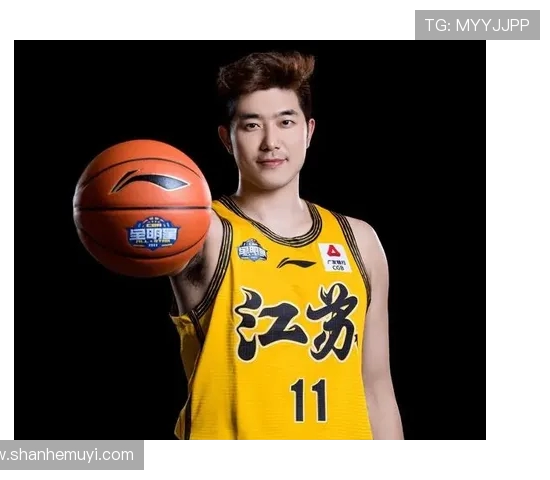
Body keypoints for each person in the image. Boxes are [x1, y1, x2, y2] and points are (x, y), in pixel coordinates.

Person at [167, 50, 403, 440]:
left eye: (286, 121)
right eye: (252, 125)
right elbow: (139, 227)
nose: (271, 142)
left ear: (308, 131)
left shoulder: (359, 241)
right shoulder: (205, 231)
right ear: (227, 139)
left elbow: (377, 389)